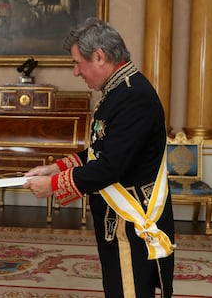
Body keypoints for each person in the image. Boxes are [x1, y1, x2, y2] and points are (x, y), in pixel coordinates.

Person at [24, 17, 175, 298]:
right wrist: (53, 169)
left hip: (130, 222)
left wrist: (54, 185)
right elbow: (101, 149)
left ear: (99, 56)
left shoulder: (132, 96)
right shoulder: (118, 91)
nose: (75, 72)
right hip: (118, 219)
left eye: (77, 63)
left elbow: (111, 165)